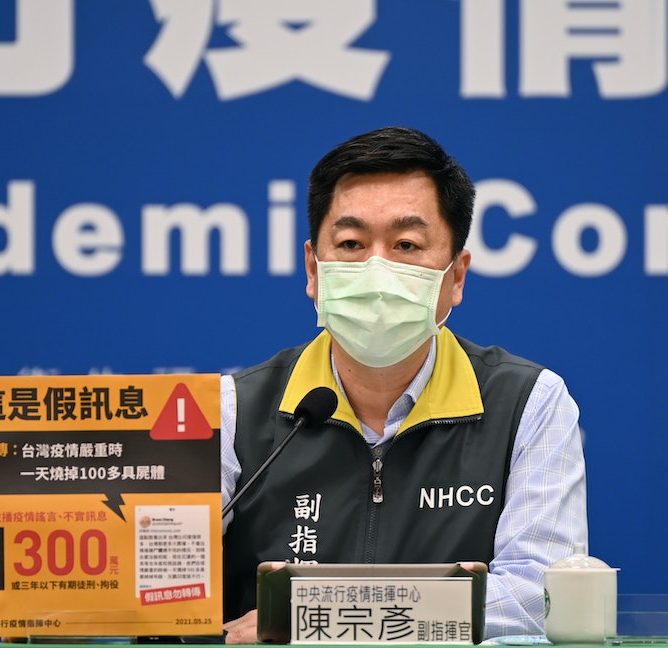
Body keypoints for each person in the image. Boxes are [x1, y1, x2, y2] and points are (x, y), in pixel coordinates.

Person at [219, 126, 587, 643]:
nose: (377, 269)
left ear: (456, 277)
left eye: (406, 245)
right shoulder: (232, 409)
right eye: (351, 244)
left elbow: (541, 597)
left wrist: (315, 616)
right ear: (313, 270)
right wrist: (434, 605)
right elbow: (162, 586)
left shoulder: (530, 403)